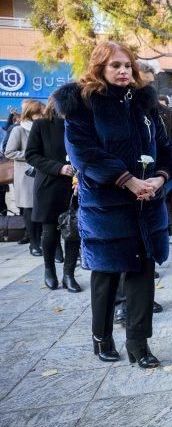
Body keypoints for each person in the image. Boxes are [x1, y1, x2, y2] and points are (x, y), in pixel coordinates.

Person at [55, 41, 172, 369]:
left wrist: (159, 179)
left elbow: (166, 149)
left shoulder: (143, 104)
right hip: (106, 209)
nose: (123, 71)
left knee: (142, 275)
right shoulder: (81, 104)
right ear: (100, 68)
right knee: (107, 277)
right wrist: (127, 179)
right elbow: (84, 153)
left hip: (146, 206)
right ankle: (102, 338)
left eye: (127, 66)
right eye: (115, 66)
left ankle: (139, 343)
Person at [25, 95, 80, 291]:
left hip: (75, 186)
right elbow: (31, 154)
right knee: (50, 232)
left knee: (74, 231)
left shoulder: (77, 125)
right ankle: (49, 271)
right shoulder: (41, 125)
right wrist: (58, 168)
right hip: (49, 184)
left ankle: (69, 275)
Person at [144, 69, 172, 248]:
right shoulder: (117, 111)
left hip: (162, 177)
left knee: (169, 205)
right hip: (128, 184)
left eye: (150, 84)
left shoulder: (165, 113)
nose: (146, 88)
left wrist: (164, 171)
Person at [5, 99, 45, 256]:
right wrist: (31, 155)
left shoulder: (42, 128)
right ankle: (33, 243)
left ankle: (40, 240)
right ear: (31, 114)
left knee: (41, 208)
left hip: (42, 173)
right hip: (26, 175)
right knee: (29, 209)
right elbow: (9, 152)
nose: (42, 116)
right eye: (39, 113)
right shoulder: (19, 130)